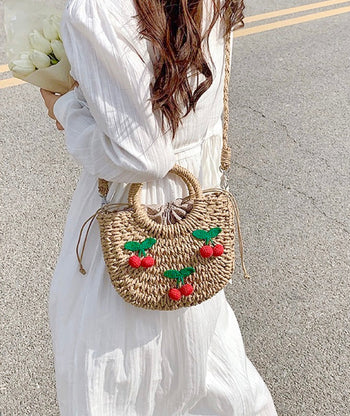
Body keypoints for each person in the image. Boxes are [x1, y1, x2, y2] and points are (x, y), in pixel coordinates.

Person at [40, 0, 278, 414]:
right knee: (204, 359)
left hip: (133, 218)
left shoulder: (97, 10)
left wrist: (65, 107)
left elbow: (141, 156)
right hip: (192, 205)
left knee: (117, 371)